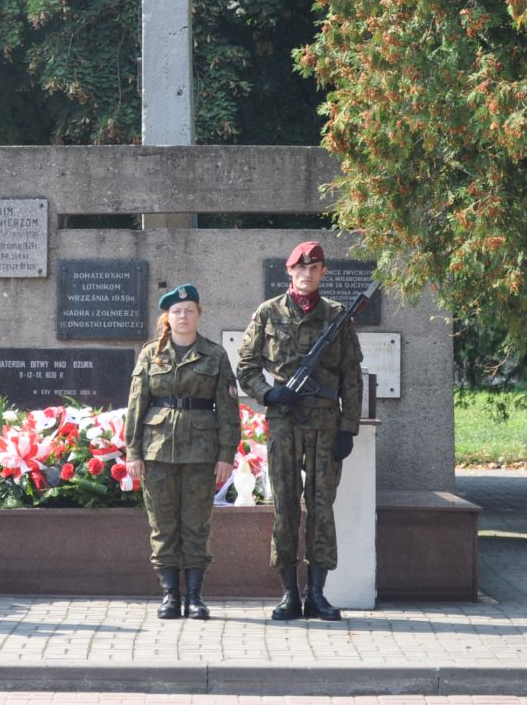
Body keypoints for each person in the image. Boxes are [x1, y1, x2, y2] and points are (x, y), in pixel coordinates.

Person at [236, 240, 363, 622]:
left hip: (325, 424)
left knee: (322, 506)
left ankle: (319, 595)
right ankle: (290, 594)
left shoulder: (337, 316)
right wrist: (269, 393)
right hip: (284, 423)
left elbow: (351, 377)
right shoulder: (267, 313)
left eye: (315, 268)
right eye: (300, 268)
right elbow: (245, 366)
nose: (307, 274)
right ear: (289, 272)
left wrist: (348, 429)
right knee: (286, 507)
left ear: (323, 273)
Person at [124, 283, 240, 620]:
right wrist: (133, 452)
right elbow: (136, 405)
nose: (183, 316)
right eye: (176, 311)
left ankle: (195, 597)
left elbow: (229, 410)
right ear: (167, 317)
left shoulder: (215, 355)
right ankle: (170, 596)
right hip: (157, 451)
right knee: (162, 525)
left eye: (190, 310)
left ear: (199, 315)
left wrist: (226, 454)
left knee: (196, 524)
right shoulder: (151, 354)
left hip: (201, 453)